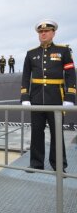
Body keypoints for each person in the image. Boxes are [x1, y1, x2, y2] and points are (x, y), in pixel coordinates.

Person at [21, 19, 76, 172]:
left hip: (56, 99)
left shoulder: (63, 51)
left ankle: (59, 166)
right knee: (36, 133)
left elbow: (71, 74)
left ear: (53, 33)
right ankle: (36, 164)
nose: (43, 34)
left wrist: (70, 96)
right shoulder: (31, 53)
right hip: (36, 99)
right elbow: (26, 76)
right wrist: (25, 97)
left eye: (46, 31)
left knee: (57, 134)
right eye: (41, 32)